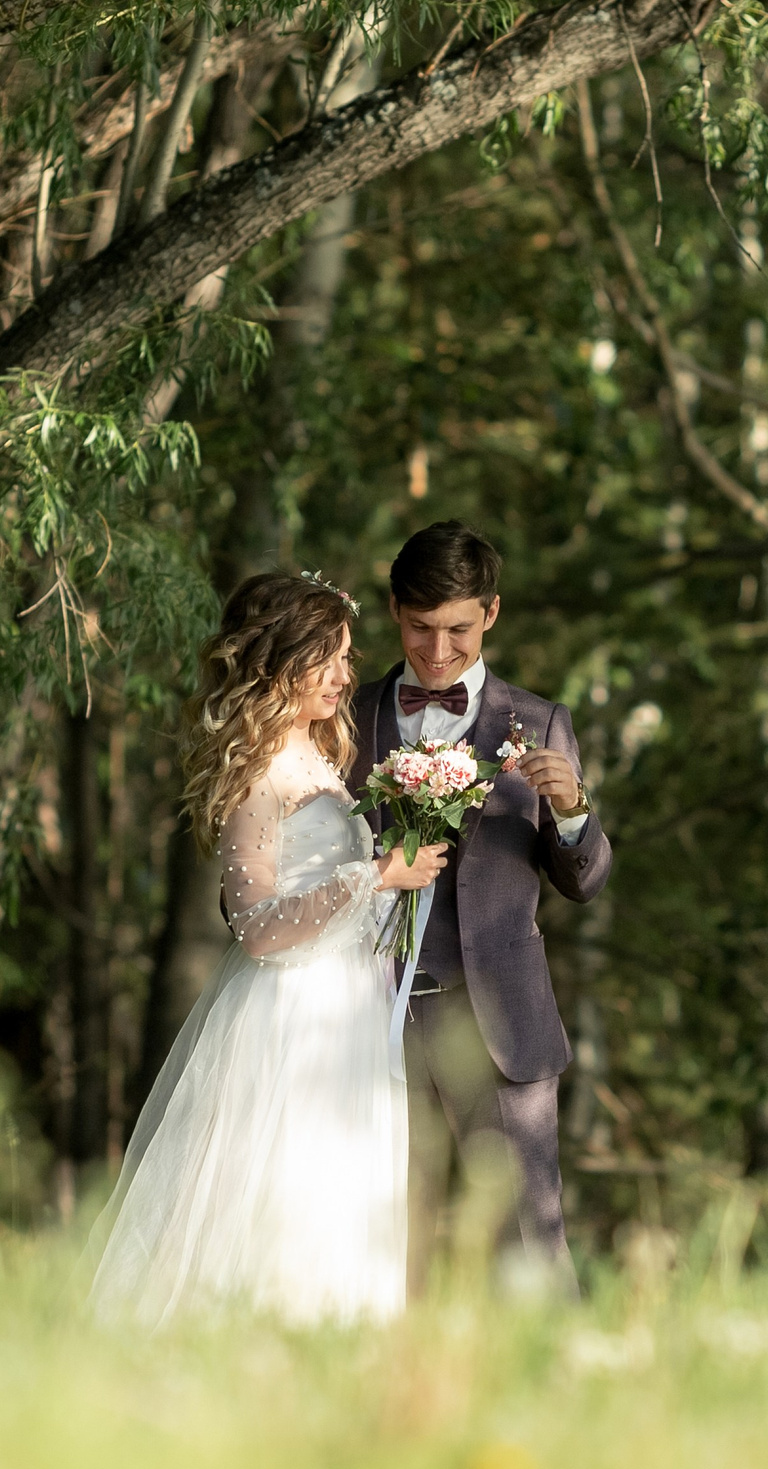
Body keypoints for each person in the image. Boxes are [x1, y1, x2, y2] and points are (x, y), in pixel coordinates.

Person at [89, 573, 447, 1325]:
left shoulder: (319, 757)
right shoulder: (257, 774)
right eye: (330, 658)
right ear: (282, 663)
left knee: (340, 1191)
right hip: (290, 1009)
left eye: (346, 657)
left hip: (349, 1006)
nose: (345, 675)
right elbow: (254, 926)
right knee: (285, 1187)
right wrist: (378, 874)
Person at [349, 520, 613, 1294]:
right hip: (365, 1022)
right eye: (420, 627)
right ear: (394, 609)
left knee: (527, 1243)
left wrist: (573, 810)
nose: (437, 650)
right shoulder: (346, 717)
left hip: (501, 1024)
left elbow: (585, 882)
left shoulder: (541, 720)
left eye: (458, 629)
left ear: (491, 613)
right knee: (375, 1244)